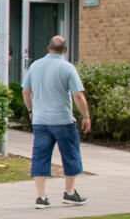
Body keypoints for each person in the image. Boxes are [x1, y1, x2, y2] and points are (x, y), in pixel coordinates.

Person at [22, 35, 90, 209]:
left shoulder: (35, 66)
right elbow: (78, 95)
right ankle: (69, 193)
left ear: (48, 48)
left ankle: (41, 197)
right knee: (70, 154)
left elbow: (26, 91)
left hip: (40, 121)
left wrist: (31, 111)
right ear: (65, 50)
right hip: (62, 121)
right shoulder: (67, 68)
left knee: (40, 156)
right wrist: (86, 116)